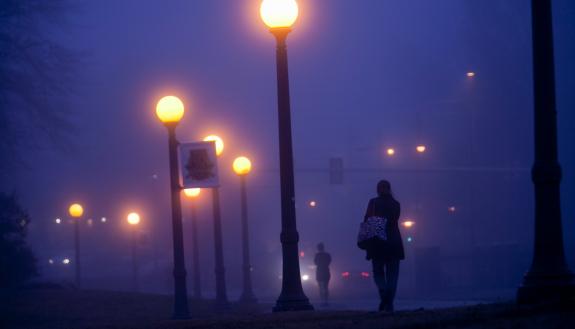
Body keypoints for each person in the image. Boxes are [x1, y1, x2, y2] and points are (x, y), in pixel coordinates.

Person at [363, 179, 405, 312]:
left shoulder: (373, 202)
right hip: (394, 243)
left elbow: (367, 220)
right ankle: (389, 303)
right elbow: (394, 221)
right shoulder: (396, 204)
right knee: (393, 274)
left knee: (378, 272)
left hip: (378, 243)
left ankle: (383, 293)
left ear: (378, 189)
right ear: (389, 188)